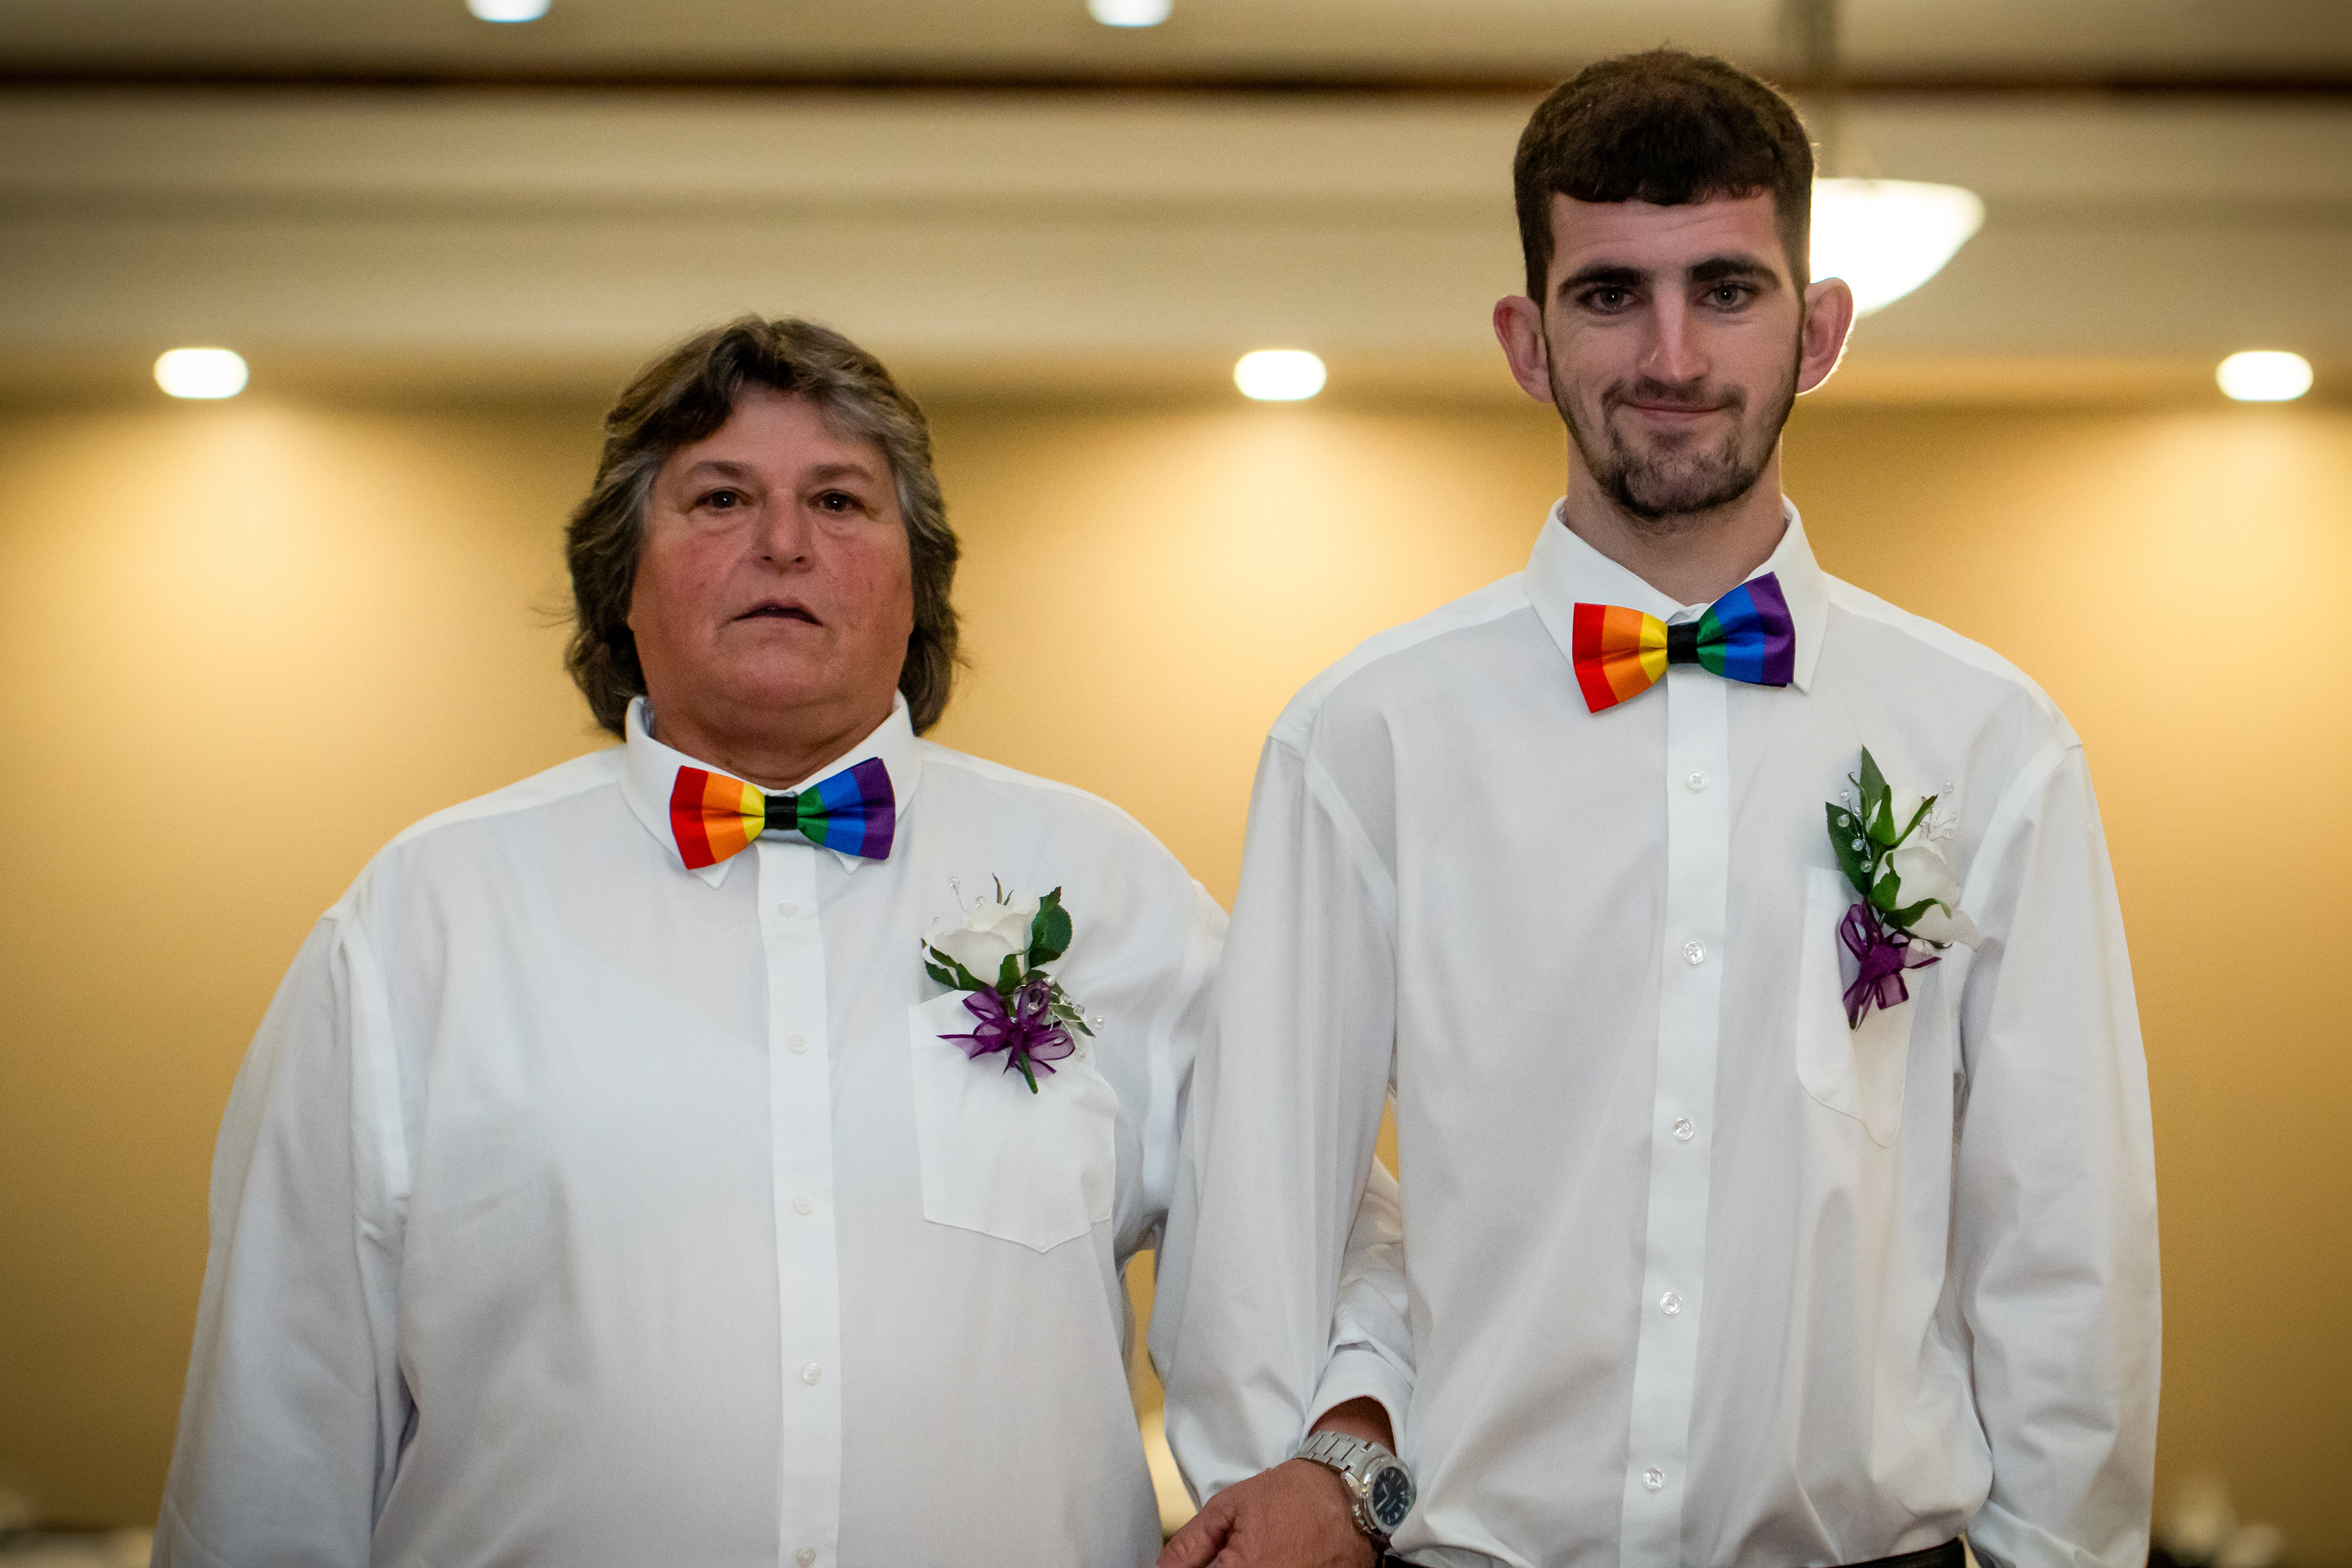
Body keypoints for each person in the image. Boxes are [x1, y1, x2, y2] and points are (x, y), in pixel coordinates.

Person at [154, 317, 1407, 1567]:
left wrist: (1345, 1460)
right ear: (621, 582)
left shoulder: (1108, 887)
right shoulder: (417, 923)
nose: (785, 543)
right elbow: (279, 1416)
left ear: (917, 585)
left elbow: (1342, 1223)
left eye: (839, 500)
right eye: (720, 497)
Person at [1153, 50, 2158, 1568]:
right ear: (1527, 339)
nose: (1672, 354)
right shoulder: (1364, 738)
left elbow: (2063, 1236)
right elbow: (1262, 1207)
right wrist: (1271, 1493)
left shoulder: (1991, 740)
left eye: (1728, 290)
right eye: (1612, 293)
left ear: (1820, 330)